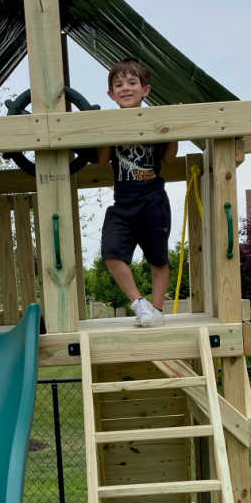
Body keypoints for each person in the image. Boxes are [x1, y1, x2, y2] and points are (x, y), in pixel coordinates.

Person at [97, 58, 178, 327]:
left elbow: (168, 159)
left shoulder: (156, 120)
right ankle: (139, 303)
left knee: (158, 257)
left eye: (132, 82)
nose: (125, 88)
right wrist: (107, 131)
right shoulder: (111, 121)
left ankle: (156, 310)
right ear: (111, 94)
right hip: (124, 203)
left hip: (153, 199)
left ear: (146, 90)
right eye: (118, 85)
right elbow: (101, 160)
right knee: (110, 251)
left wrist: (173, 128)